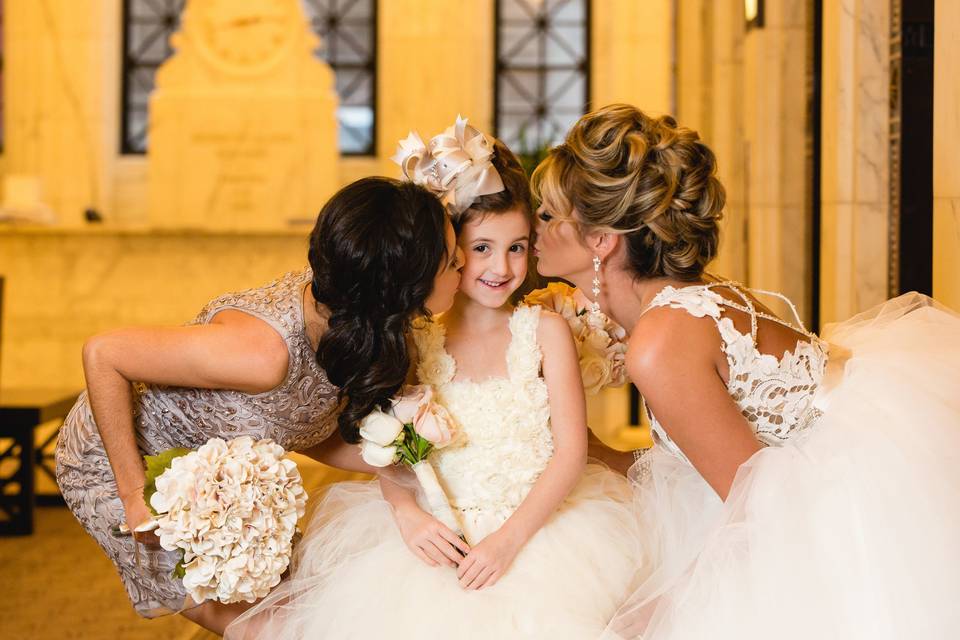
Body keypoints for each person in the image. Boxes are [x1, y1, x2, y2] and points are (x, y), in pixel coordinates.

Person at [531, 103, 960, 639]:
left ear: (601, 239)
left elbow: (758, 513)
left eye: (549, 215)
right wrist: (596, 449)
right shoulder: (692, 297)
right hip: (830, 469)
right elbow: (702, 463)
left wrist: (653, 615)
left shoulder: (660, 341)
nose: (536, 229)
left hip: (839, 512)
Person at [225, 118, 643, 640]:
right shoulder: (417, 340)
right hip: (437, 533)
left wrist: (508, 542)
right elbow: (387, 445)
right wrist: (405, 513)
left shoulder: (546, 333)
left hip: (538, 534)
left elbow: (570, 452)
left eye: (517, 247)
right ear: (450, 252)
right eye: (483, 248)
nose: (502, 266)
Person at [55, 177, 464, 634]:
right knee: (272, 627)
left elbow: (303, 426)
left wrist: (417, 462)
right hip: (121, 463)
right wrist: (133, 496)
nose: (464, 262)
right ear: (403, 285)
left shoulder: (356, 326)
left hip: (227, 481)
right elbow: (104, 354)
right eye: (451, 261)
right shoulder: (261, 354)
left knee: (307, 607)